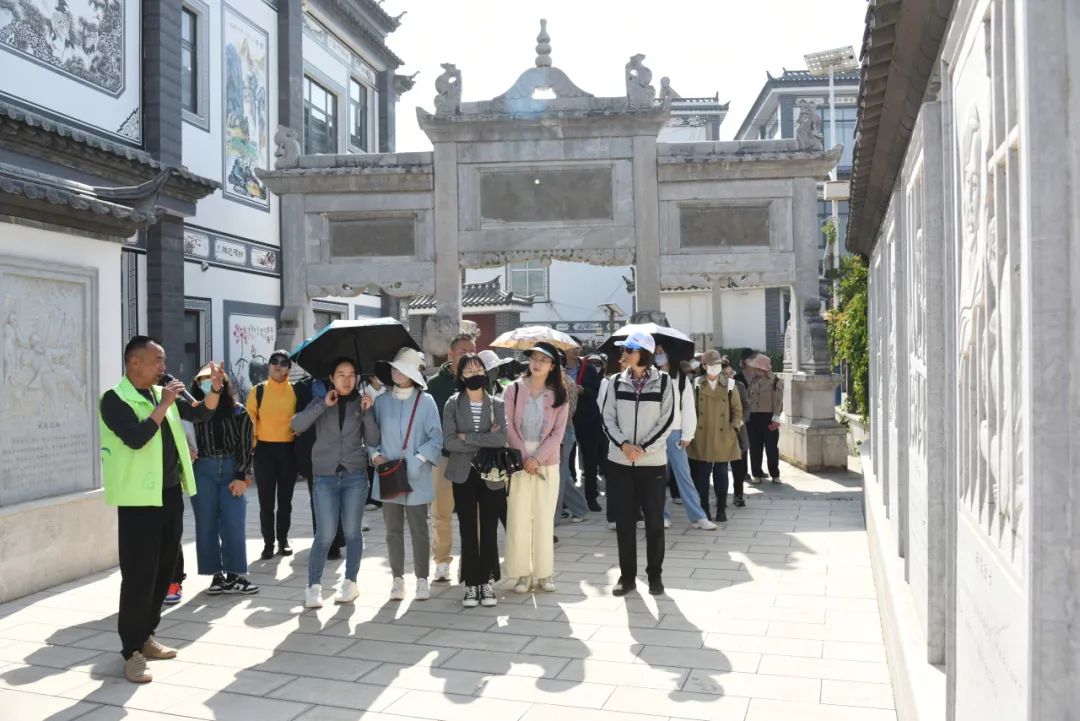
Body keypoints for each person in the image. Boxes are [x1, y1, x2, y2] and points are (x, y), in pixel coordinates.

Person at [99, 336, 222, 683]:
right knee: (139, 575)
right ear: (134, 362)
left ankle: (146, 635)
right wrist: (164, 405)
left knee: (164, 569)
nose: (163, 368)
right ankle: (131, 651)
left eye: (164, 361)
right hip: (137, 500)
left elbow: (202, 413)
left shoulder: (160, 393)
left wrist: (214, 388)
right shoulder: (114, 399)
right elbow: (137, 438)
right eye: (157, 361)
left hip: (168, 494)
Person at [292, 358, 380, 608]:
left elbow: (374, 439)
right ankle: (313, 587)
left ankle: (350, 582)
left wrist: (368, 413)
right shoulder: (321, 401)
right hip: (325, 476)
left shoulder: (362, 403)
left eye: (351, 374)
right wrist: (322, 404)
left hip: (354, 476)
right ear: (331, 378)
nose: (346, 379)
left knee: (352, 532)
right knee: (325, 534)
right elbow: (297, 424)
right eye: (341, 374)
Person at [601, 331, 675, 597]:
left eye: (629, 349)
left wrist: (643, 448)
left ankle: (655, 575)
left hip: (651, 463)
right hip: (620, 462)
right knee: (624, 523)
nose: (624, 354)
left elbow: (667, 421)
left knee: (654, 522)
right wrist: (624, 445)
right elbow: (607, 418)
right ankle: (627, 576)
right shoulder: (615, 382)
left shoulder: (664, 382)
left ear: (642, 352)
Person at [371, 348, 443, 602]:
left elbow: (436, 438)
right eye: (394, 367)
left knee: (419, 529)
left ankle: (422, 579)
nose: (395, 372)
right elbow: (371, 437)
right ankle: (397, 579)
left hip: (417, 477)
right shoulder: (380, 402)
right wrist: (375, 456)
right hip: (389, 475)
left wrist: (417, 460)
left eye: (402, 368)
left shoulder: (426, 402)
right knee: (392, 530)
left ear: (413, 374)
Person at [442, 353, 508, 607]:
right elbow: (449, 441)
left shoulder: (496, 404)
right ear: (461, 376)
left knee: (490, 529)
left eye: (477, 370)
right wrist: (483, 438)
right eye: (468, 371)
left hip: (491, 473)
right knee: (467, 528)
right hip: (463, 473)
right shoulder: (452, 403)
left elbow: (501, 438)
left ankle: (487, 581)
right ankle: (471, 583)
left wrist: (467, 437)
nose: (474, 375)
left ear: (485, 372)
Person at [503, 342, 569, 593]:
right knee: (518, 519)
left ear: (553, 366)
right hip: (519, 463)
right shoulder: (513, 389)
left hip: (546, 464)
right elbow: (507, 425)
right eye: (534, 358)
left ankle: (544, 573)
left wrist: (537, 459)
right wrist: (524, 457)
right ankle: (522, 574)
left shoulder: (559, 394)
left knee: (543, 519)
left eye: (544, 359)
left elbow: (558, 433)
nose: (537, 363)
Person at [188, 365, 259, 595]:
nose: (209, 383)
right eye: (204, 380)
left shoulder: (238, 411)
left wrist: (241, 476)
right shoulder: (193, 412)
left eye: (215, 379)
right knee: (206, 523)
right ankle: (215, 575)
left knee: (234, 523)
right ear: (197, 385)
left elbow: (246, 445)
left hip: (230, 468)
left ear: (224, 383)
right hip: (202, 469)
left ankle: (235, 574)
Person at [425, 334, 477, 583]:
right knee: (441, 513)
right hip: (444, 458)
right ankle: (442, 561)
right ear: (451, 354)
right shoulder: (435, 384)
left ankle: (471, 562)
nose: (469, 355)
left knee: (473, 514)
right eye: (463, 351)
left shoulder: (480, 381)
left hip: (472, 458)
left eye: (473, 351)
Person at [655, 344, 716, 531]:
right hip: (654, 434)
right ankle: (662, 516)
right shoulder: (649, 378)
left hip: (675, 432)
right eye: (656, 353)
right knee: (657, 477)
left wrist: (688, 434)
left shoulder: (681, 379)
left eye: (661, 352)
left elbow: (689, 408)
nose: (659, 356)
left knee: (684, 475)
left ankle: (698, 516)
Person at [245, 350, 299, 560]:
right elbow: (249, 422)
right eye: (274, 361)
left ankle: (283, 540)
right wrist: (251, 449)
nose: (278, 365)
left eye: (284, 363)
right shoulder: (258, 391)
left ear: (289, 368)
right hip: (264, 451)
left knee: (285, 501)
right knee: (266, 502)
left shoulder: (295, 391)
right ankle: (268, 543)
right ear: (268, 365)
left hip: (288, 451)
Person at [688, 350, 745, 522]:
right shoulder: (696, 383)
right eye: (712, 365)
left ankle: (721, 509)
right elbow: (690, 410)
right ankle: (704, 509)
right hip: (702, 434)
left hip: (723, 435)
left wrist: (733, 428)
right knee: (703, 475)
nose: (715, 367)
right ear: (704, 366)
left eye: (718, 364)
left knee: (721, 473)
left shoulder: (730, 384)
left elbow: (737, 410)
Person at [294, 376, 346, 560]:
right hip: (312, 452)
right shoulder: (301, 387)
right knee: (318, 499)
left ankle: (336, 540)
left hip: (337, 450)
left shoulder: (340, 383)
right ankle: (325, 543)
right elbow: (297, 417)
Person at [564, 343, 604, 513]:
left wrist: (583, 391)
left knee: (590, 460)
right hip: (567, 419)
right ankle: (568, 499)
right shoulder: (558, 369)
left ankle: (591, 497)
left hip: (588, 419)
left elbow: (596, 391)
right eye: (572, 348)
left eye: (577, 347)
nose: (576, 350)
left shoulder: (588, 369)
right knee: (567, 460)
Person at [556, 362, 590, 525]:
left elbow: (568, 412)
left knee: (559, 476)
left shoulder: (566, 383)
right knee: (563, 475)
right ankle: (580, 508)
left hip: (564, 432)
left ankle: (553, 517)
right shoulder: (555, 381)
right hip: (557, 433)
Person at [744, 353, 784, 483]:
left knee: (771, 448)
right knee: (755, 447)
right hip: (753, 417)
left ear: (763, 368)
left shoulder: (775, 381)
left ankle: (775, 474)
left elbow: (778, 403)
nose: (754, 370)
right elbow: (748, 398)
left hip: (768, 417)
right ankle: (756, 474)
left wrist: (776, 419)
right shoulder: (753, 381)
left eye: (756, 368)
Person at [723, 358, 751, 507]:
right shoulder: (715, 388)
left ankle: (738, 494)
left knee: (739, 467)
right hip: (721, 432)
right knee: (721, 468)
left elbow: (746, 406)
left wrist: (742, 420)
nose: (730, 376)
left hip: (738, 432)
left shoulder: (739, 386)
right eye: (726, 374)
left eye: (731, 373)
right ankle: (721, 496)